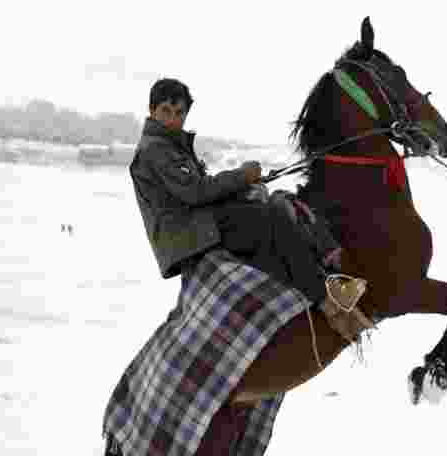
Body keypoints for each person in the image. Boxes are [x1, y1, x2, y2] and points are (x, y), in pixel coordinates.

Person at [130, 78, 372, 340]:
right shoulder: (156, 148)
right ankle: (328, 300)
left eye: (179, 113)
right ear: (152, 110)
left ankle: (312, 294)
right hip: (191, 234)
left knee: (269, 210)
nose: (173, 120)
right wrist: (243, 176)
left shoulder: (168, 145)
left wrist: (244, 184)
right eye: (166, 111)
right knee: (273, 216)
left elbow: (194, 188)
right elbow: (195, 192)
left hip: (197, 225)